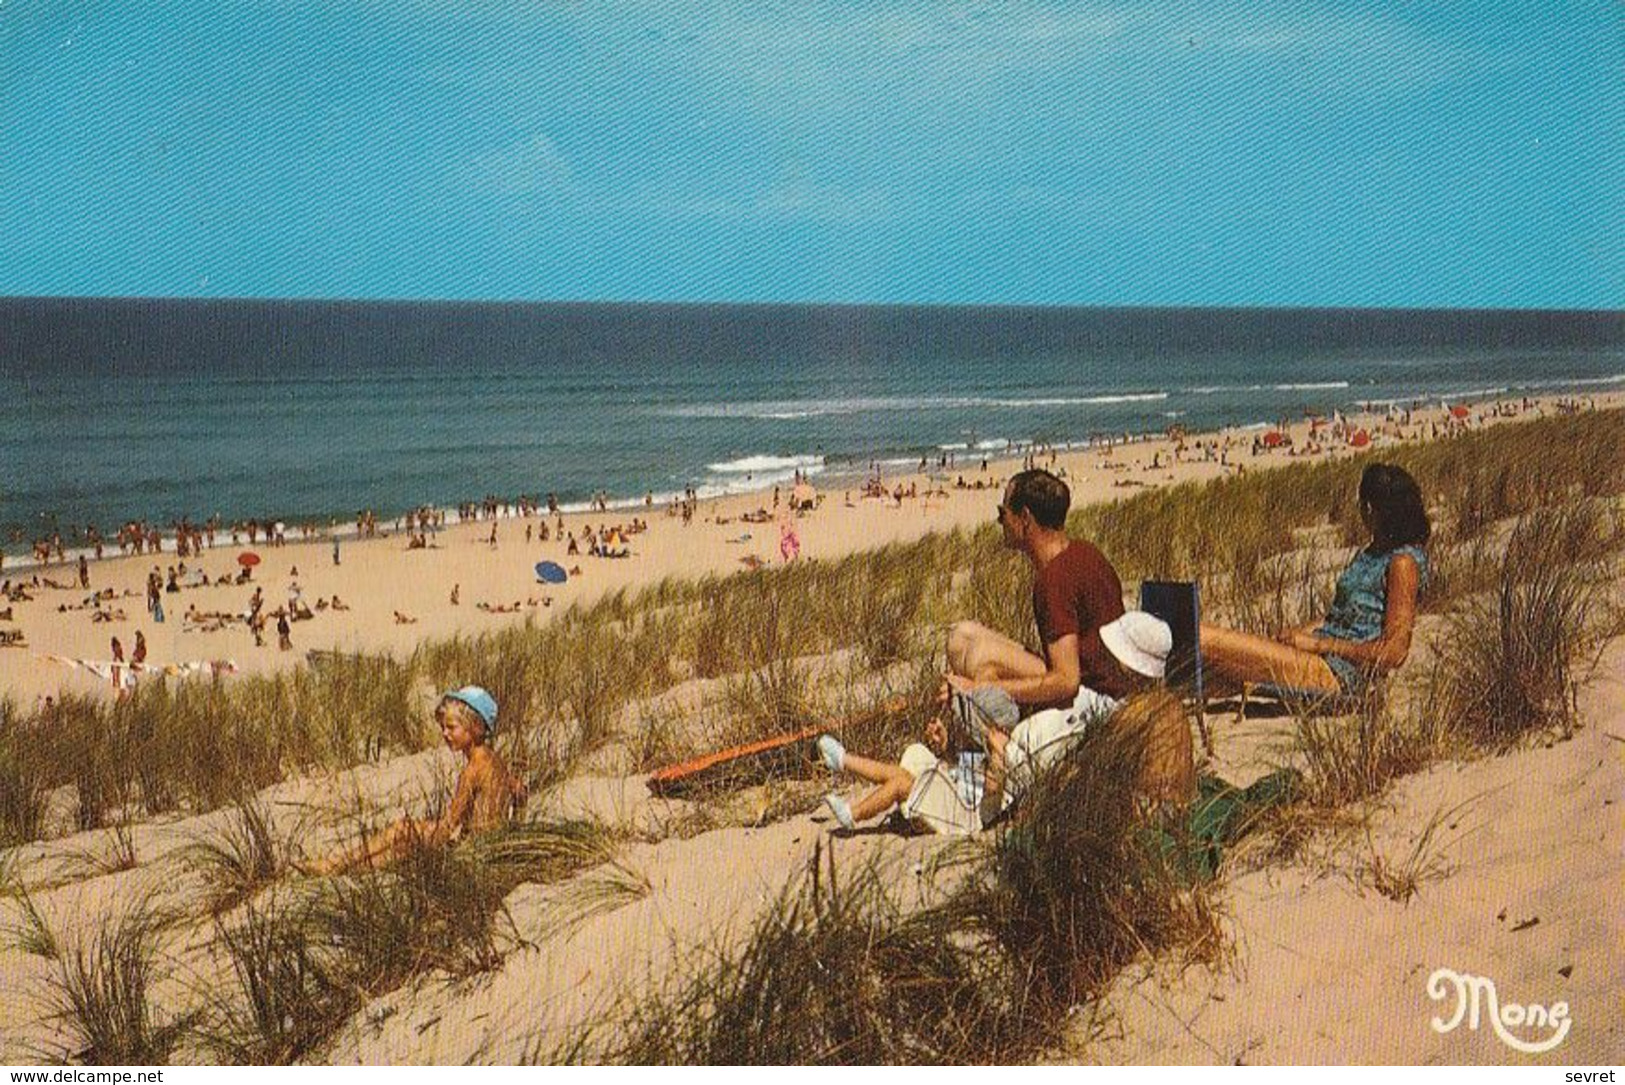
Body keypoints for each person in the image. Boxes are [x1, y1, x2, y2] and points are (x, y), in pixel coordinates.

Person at [816, 611, 1176, 834]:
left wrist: (997, 754)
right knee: (903, 769)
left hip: (966, 811)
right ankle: (844, 760)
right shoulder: (1096, 704)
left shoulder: (1114, 715)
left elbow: (994, 791)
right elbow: (972, 764)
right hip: (964, 784)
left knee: (900, 783)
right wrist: (952, 746)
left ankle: (854, 813)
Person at [1200, 462, 1430, 697]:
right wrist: (1302, 633)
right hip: (1320, 656)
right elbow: (1341, 617)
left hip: (1340, 674)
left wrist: (1320, 645)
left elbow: (1394, 652)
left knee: (1204, 638)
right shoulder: (1370, 553)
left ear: (1370, 508)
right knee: (1211, 666)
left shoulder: (1402, 563)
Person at [946, 468, 1130, 715]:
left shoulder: (1054, 580)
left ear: (1024, 518)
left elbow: (1067, 681)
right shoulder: (1085, 552)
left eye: (1003, 513)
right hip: (1110, 682)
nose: (1000, 522)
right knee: (963, 635)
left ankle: (984, 720)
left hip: (1094, 699)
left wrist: (984, 688)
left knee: (979, 657)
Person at [309, 687, 527, 874]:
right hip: (490, 845)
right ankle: (339, 868)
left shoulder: (472, 770)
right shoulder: (494, 759)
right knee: (402, 846)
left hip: (474, 851)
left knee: (402, 831)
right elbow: (520, 792)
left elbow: (448, 827)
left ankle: (335, 865)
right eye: (443, 727)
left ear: (475, 727)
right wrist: (510, 829)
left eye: (452, 727)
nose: (445, 733)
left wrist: (416, 831)